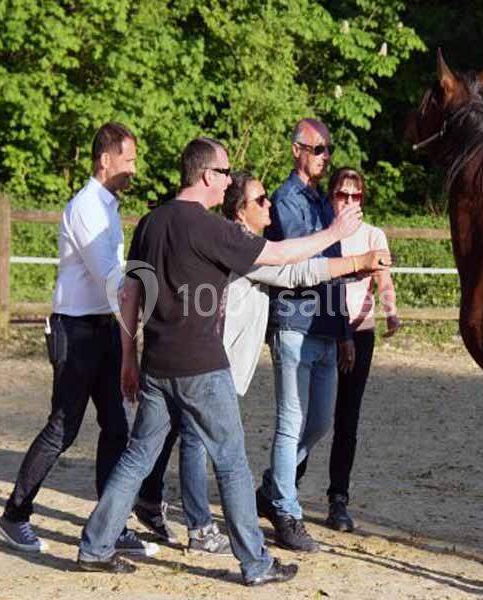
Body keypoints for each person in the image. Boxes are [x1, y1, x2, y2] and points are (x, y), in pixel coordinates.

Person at [76, 137, 363, 585]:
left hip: (157, 365)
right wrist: (335, 234)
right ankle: (256, 563)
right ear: (208, 176)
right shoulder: (210, 228)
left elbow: (131, 292)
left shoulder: (150, 222)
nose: (229, 181)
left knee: (137, 458)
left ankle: (94, 547)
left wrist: (128, 359)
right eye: (226, 173)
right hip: (202, 367)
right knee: (231, 463)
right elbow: (280, 256)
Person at [131, 171, 390, 554]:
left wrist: (353, 267)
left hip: (210, 358)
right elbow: (292, 269)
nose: (269, 205)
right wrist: (349, 252)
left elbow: (295, 269)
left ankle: (132, 514)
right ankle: (206, 530)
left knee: (154, 446)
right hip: (206, 358)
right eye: (260, 200)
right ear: (240, 212)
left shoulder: (247, 241)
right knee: (195, 442)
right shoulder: (237, 243)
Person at [0, 122, 156, 558]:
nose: (134, 169)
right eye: (129, 160)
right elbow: (110, 278)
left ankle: (112, 522)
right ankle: (14, 514)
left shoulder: (105, 206)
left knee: (116, 427)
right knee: (63, 428)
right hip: (77, 330)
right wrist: (145, 308)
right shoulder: (87, 206)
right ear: (105, 160)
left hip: (101, 328)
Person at [256, 118, 352, 552]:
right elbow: (300, 260)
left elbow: (335, 269)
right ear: (297, 149)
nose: (325, 157)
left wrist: (345, 330)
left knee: (319, 423)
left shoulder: (322, 200)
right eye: (318, 149)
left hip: (327, 326)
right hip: (295, 322)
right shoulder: (286, 199)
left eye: (328, 150)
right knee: (291, 422)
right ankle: (287, 512)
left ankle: (273, 489)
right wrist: (335, 232)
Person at [324, 167, 399, 531]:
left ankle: (338, 497)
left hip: (361, 330)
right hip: (325, 331)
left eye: (356, 196)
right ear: (331, 195)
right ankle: (282, 488)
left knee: (347, 418)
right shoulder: (323, 231)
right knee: (312, 416)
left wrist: (391, 311)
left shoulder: (373, 235)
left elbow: (383, 279)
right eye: (342, 194)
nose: (349, 201)